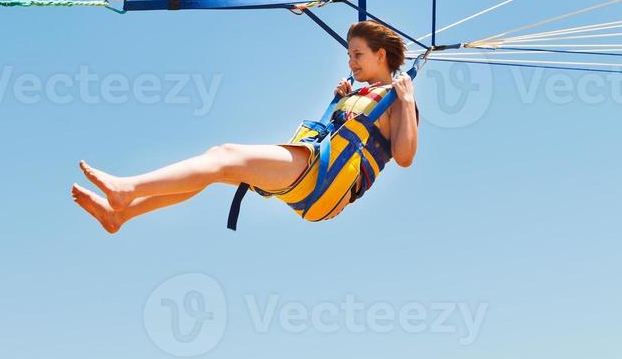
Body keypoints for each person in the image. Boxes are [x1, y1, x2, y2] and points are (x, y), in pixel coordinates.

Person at [72, 20, 419, 234]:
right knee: (214, 169)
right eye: (349, 55)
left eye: (357, 54)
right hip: (316, 177)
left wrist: (404, 101)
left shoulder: (397, 96)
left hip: (324, 181)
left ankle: (127, 188)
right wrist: (341, 103)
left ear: (380, 56)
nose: (350, 62)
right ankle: (121, 214)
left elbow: (404, 157)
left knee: (223, 156)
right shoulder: (359, 93)